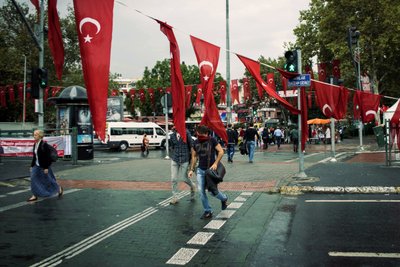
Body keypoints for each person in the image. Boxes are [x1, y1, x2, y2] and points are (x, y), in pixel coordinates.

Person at [188, 125, 228, 219]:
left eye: (203, 134)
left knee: (212, 192)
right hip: (200, 170)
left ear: (206, 133)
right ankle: (208, 211)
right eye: (199, 134)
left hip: (211, 171)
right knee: (201, 192)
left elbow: (221, 151)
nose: (201, 136)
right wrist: (191, 169)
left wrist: (215, 163)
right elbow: (194, 156)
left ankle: (224, 198)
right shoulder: (195, 142)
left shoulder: (212, 140)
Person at [27, 130, 63, 202]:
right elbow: (34, 156)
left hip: (44, 165)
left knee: (48, 179)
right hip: (36, 165)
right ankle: (34, 195)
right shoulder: (35, 144)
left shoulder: (44, 145)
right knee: (33, 178)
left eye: (36, 135)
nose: (34, 136)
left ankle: (59, 188)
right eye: (34, 135)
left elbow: (47, 157)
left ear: (40, 136)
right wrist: (31, 166)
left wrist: (46, 167)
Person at [169, 128, 196, 204]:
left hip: (185, 159)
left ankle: (192, 186)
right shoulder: (172, 135)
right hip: (175, 159)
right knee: (173, 179)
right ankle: (175, 197)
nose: (174, 126)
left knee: (184, 178)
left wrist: (192, 159)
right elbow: (172, 146)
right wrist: (172, 154)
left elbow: (191, 146)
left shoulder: (186, 133)